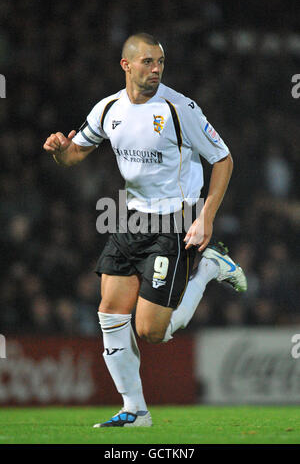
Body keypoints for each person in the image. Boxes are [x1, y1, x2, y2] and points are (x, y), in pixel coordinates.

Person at [43, 32, 247, 428]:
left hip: (174, 223)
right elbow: (74, 154)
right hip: (130, 219)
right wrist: (58, 151)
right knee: (110, 313)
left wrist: (205, 217)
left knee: (151, 332)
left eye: (160, 63)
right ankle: (135, 410)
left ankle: (208, 269)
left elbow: (223, 159)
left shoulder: (178, 107)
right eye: (147, 62)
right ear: (126, 65)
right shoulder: (108, 109)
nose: (155, 70)